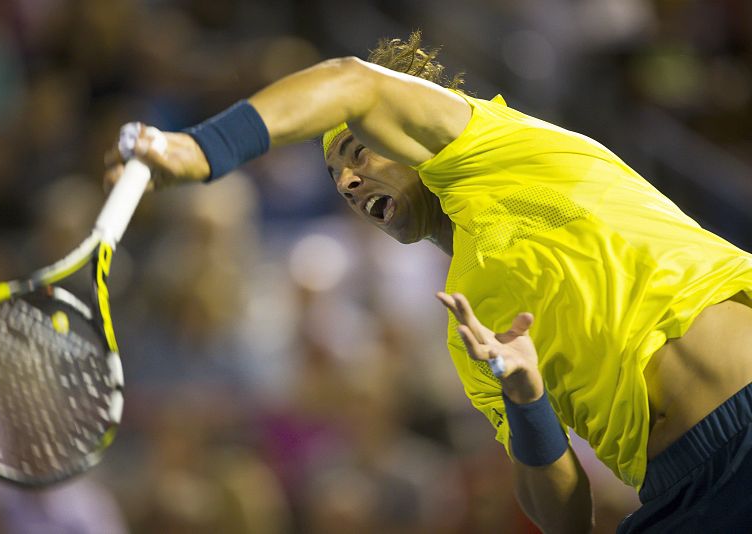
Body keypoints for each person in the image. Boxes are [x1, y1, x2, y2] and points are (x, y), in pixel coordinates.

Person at [104, 32, 752, 533]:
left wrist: (201, 149)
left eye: (358, 152)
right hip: (679, 493)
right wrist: (526, 399)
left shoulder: (497, 147)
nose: (348, 182)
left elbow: (351, 82)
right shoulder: (470, 328)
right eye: (335, 178)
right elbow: (564, 518)